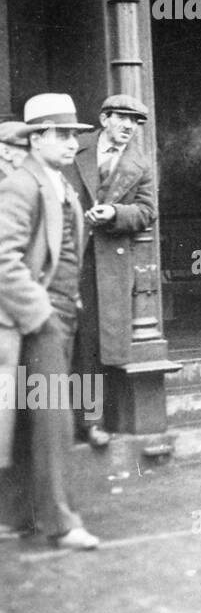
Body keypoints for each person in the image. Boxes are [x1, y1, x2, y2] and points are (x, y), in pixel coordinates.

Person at [0, 94, 99, 549]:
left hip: (59, 314)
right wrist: (40, 316)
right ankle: (61, 522)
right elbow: (3, 259)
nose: (70, 143)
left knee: (31, 420)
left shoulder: (60, 184)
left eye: (75, 135)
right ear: (35, 138)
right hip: (36, 320)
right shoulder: (23, 184)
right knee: (53, 418)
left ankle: (17, 515)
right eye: (61, 134)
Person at [66, 94, 156, 448]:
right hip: (65, 255)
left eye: (135, 122)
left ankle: (92, 422)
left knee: (93, 344)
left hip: (106, 263)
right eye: (123, 119)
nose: (129, 127)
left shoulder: (140, 163)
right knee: (57, 341)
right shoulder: (75, 146)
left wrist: (116, 214)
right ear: (105, 119)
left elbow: (148, 211)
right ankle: (49, 422)